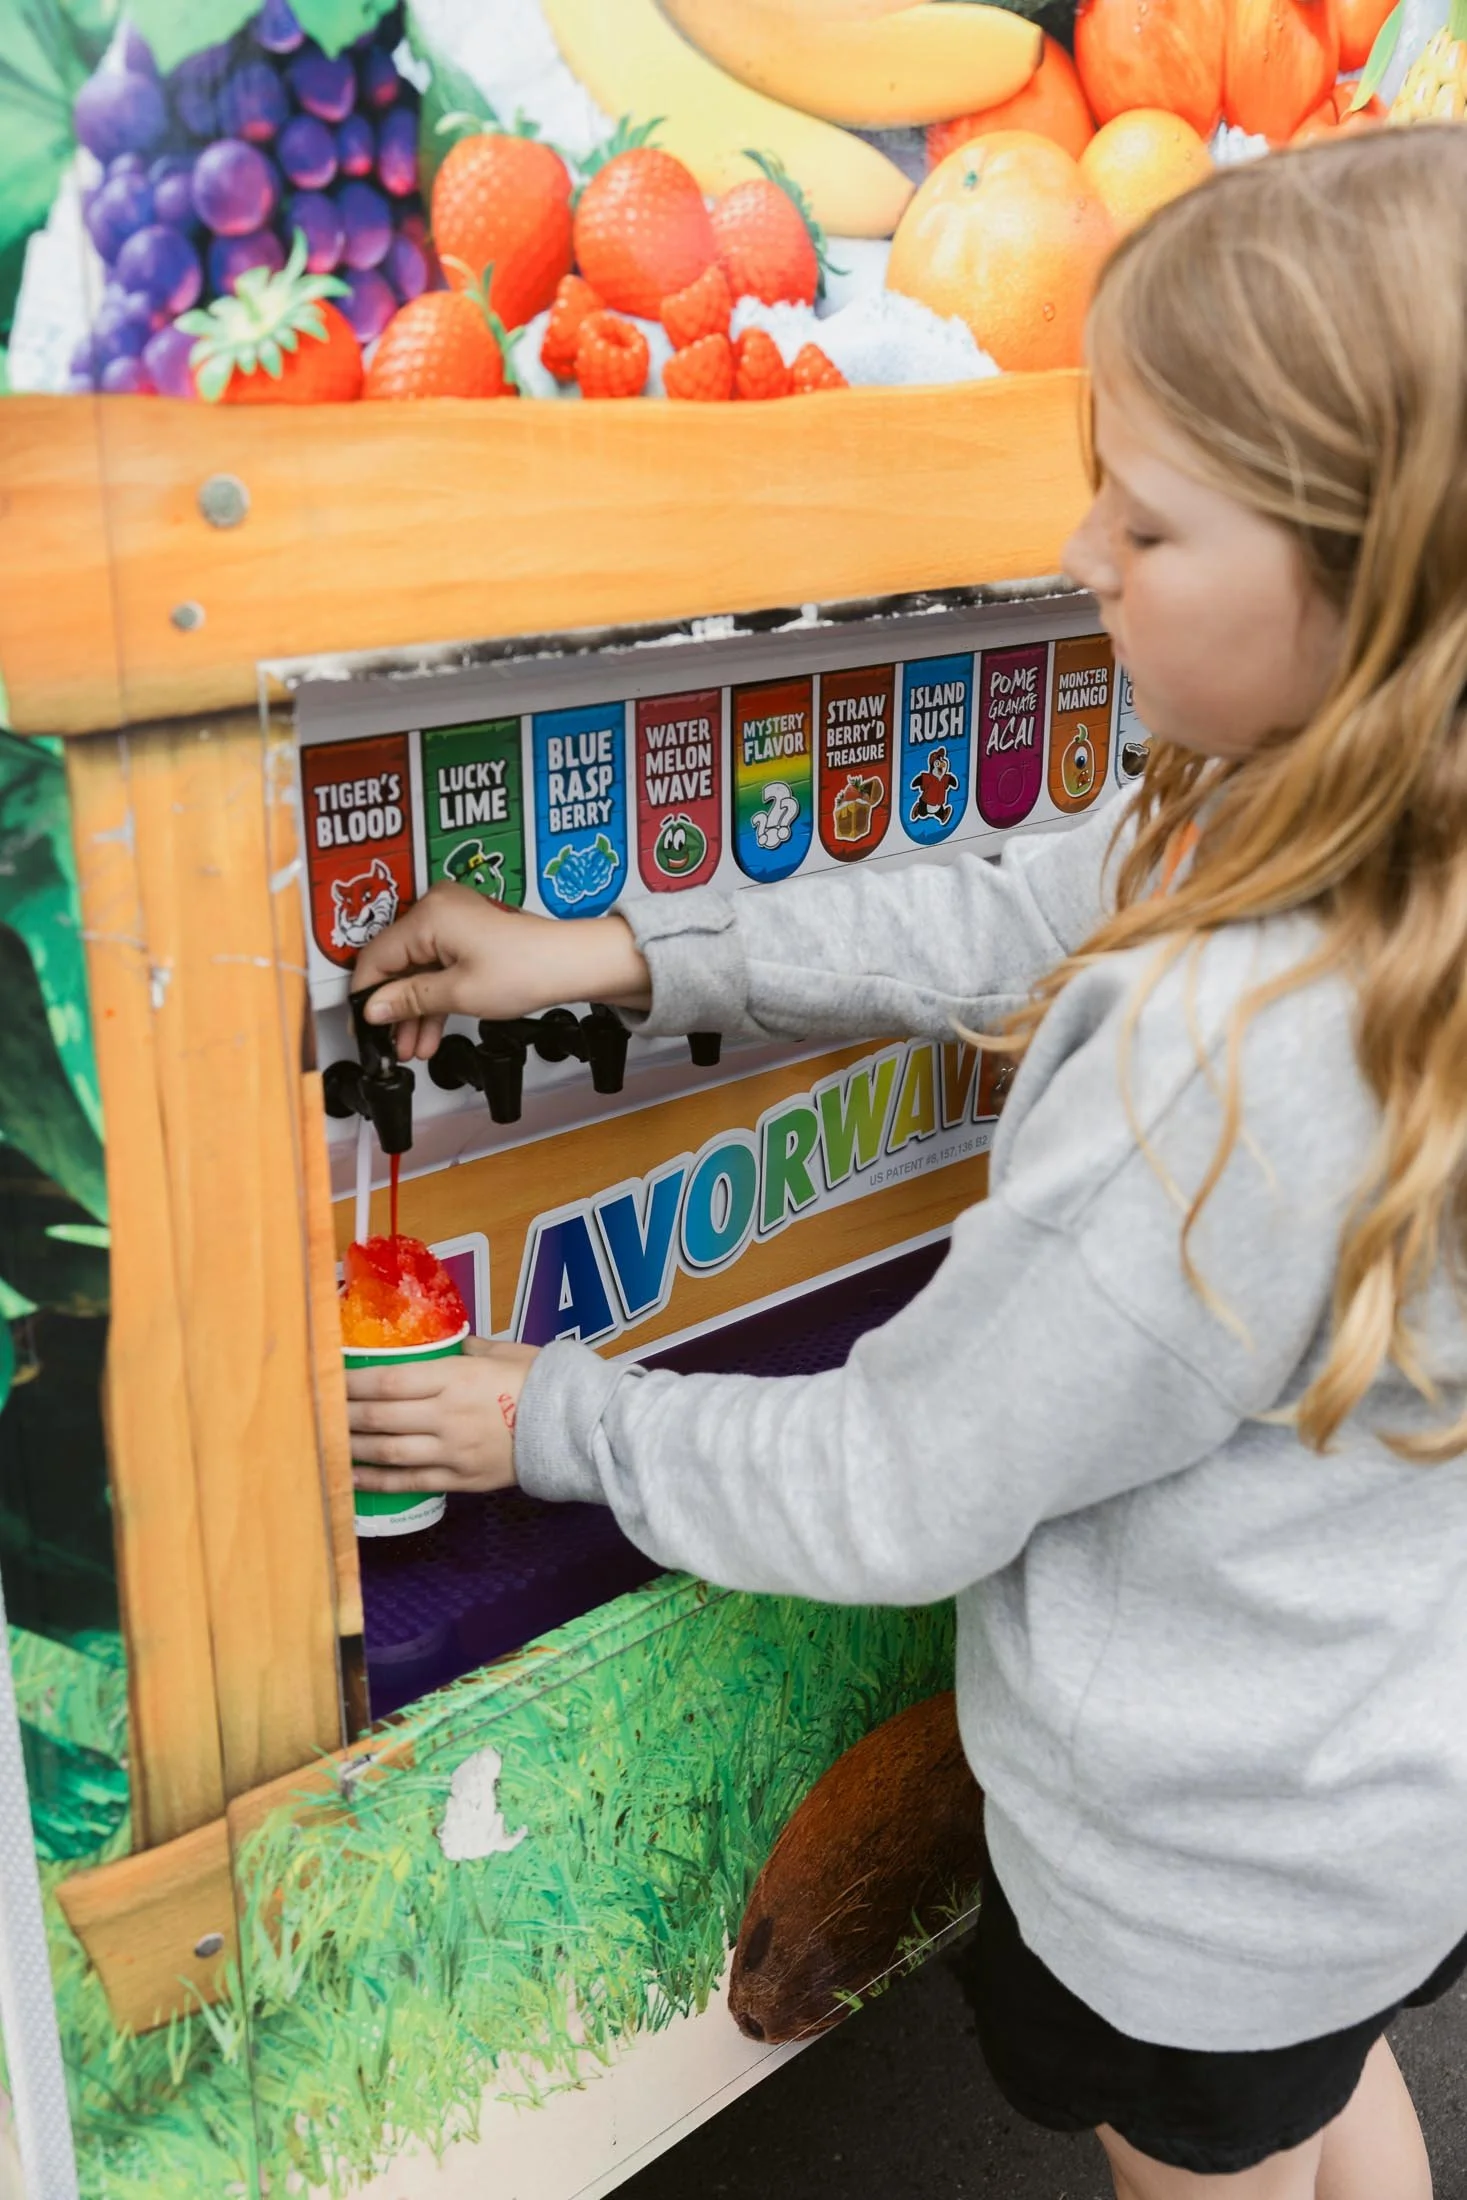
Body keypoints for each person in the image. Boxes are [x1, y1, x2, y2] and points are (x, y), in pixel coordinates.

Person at [346, 128, 1467, 2200]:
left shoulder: (1219, 1069)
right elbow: (1026, 897)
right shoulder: (1340, 836)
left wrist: (551, 1415)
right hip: (1363, 1812)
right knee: (1317, 2104)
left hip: (1190, 1887)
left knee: (1205, 2151)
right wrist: (619, 947)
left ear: (1361, 574)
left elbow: (905, 1476)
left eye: (1144, 520)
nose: (1074, 560)